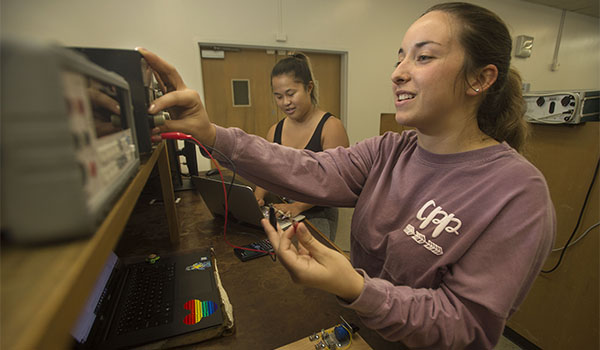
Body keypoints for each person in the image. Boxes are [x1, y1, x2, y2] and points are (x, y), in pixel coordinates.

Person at [139, 2, 556, 348]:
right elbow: (307, 169)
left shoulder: (518, 194)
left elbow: (467, 328)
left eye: (423, 57)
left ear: (480, 79)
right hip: (361, 328)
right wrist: (211, 134)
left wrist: (358, 289)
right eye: (400, 57)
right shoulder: (390, 149)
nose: (398, 72)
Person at [253, 53, 350, 241]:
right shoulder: (275, 131)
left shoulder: (330, 127)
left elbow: (337, 184)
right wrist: (257, 197)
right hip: (284, 208)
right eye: (278, 96)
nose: (285, 102)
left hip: (318, 211)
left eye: (291, 94)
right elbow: (266, 171)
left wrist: (297, 206)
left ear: (309, 87)